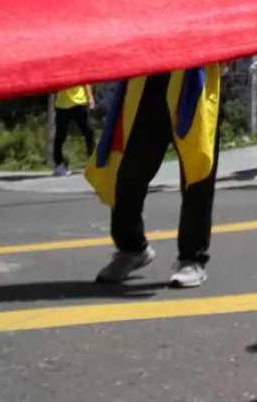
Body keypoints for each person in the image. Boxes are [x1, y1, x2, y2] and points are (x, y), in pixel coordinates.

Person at [90, 66, 221, 288]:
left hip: (194, 80)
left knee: (197, 175)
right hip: (146, 81)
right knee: (126, 173)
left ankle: (192, 259)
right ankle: (132, 249)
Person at [52, 83, 98, 177]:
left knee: (89, 131)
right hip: (63, 105)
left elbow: (86, 81)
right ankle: (59, 165)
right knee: (61, 136)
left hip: (80, 102)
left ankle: (93, 162)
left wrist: (90, 98)